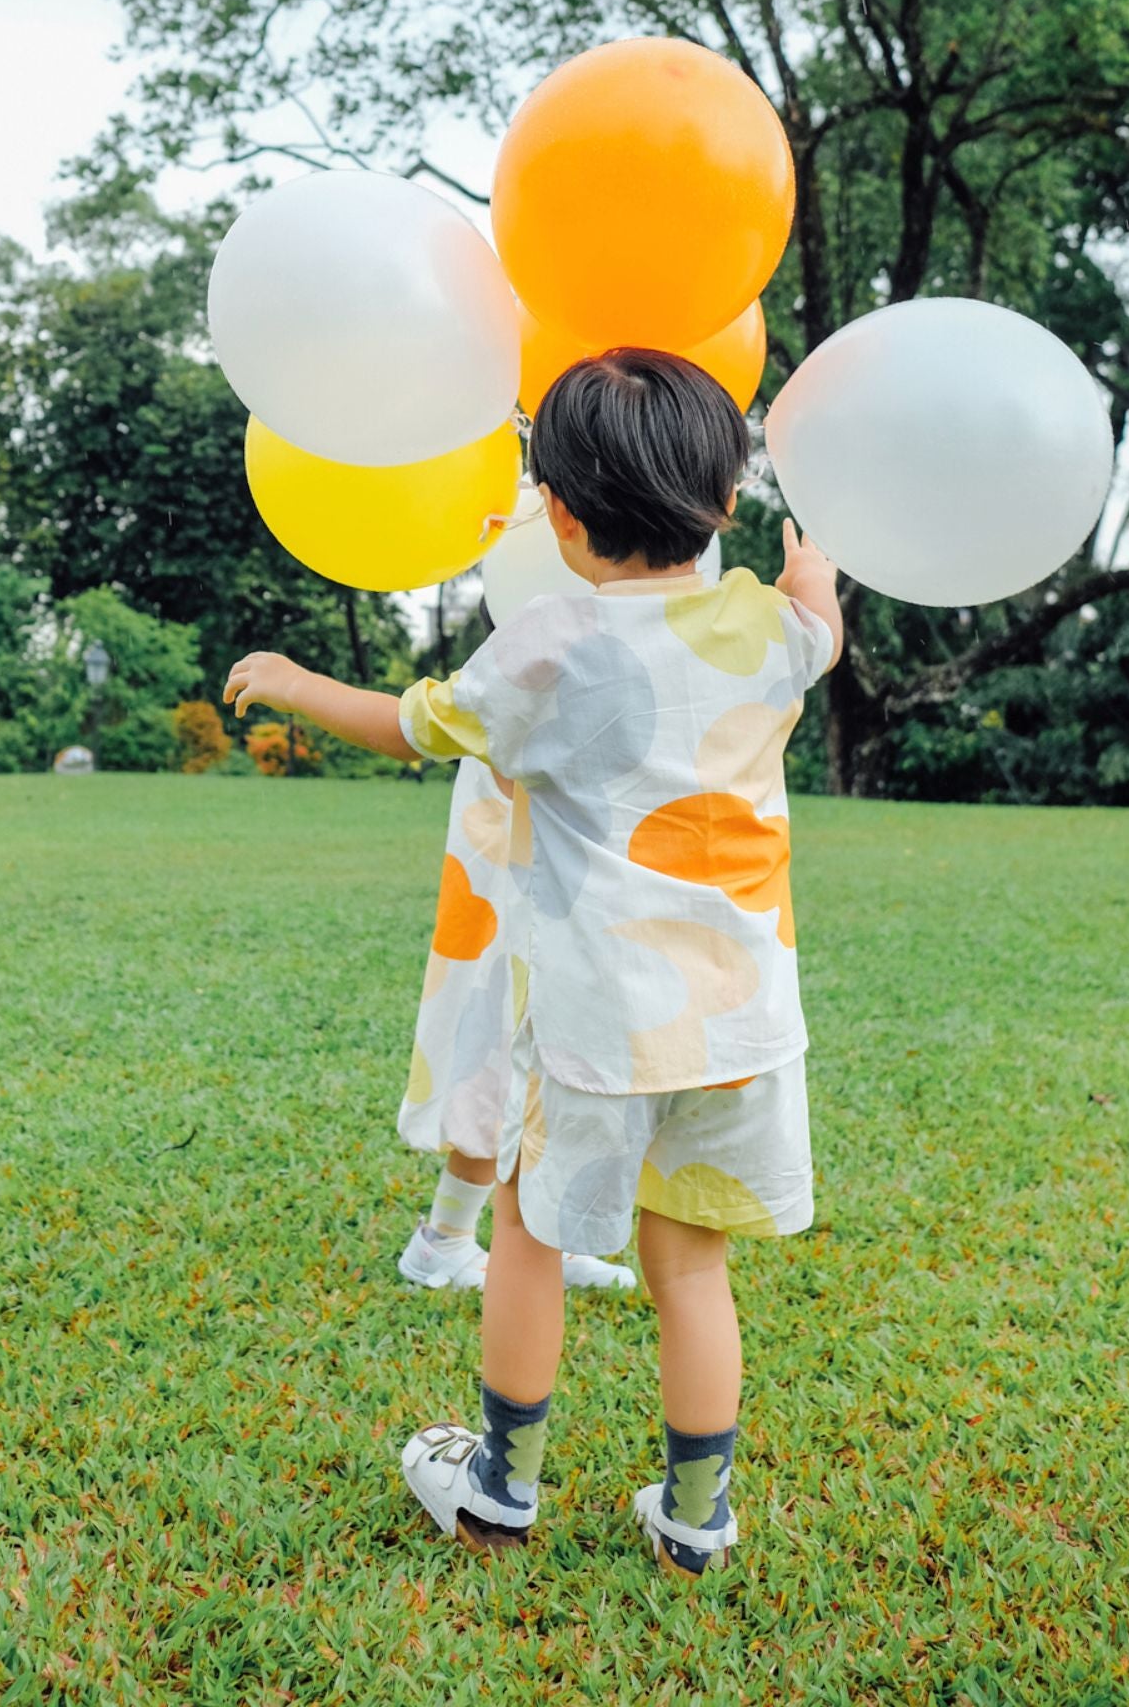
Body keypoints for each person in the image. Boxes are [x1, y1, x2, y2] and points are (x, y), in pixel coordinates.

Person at [225, 349, 843, 1579]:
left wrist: (297, 683)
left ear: (558, 513)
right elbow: (818, 622)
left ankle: (499, 1487)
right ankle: (696, 1512)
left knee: (526, 1230)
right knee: (691, 1265)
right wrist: (813, 562)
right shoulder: (770, 631)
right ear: (726, 501)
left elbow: (409, 725)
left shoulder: (547, 648)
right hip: (743, 1028)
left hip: (598, 1028)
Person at [396, 746, 636, 1293]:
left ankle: (542, 1236)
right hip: (516, 874)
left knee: (563, 1064)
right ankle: (444, 1239)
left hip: (569, 870)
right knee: (500, 1058)